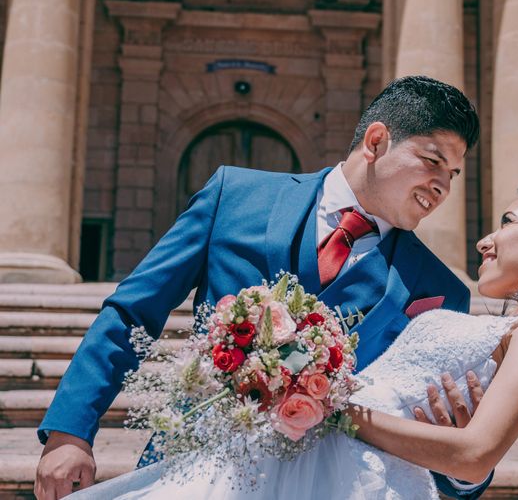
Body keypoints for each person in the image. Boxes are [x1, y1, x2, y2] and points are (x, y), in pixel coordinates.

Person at [66, 165, 518, 499]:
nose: (484, 237)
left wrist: (328, 406)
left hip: (345, 472)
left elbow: (474, 453)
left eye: (507, 222)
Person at [34, 76, 493, 500]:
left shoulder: (440, 292)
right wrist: (69, 433)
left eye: (453, 174)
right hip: (196, 474)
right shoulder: (233, 196)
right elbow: (132, 313)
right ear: (376, 141)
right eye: (433, 161)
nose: (442, 187)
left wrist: (461, 468)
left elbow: (444, 459)